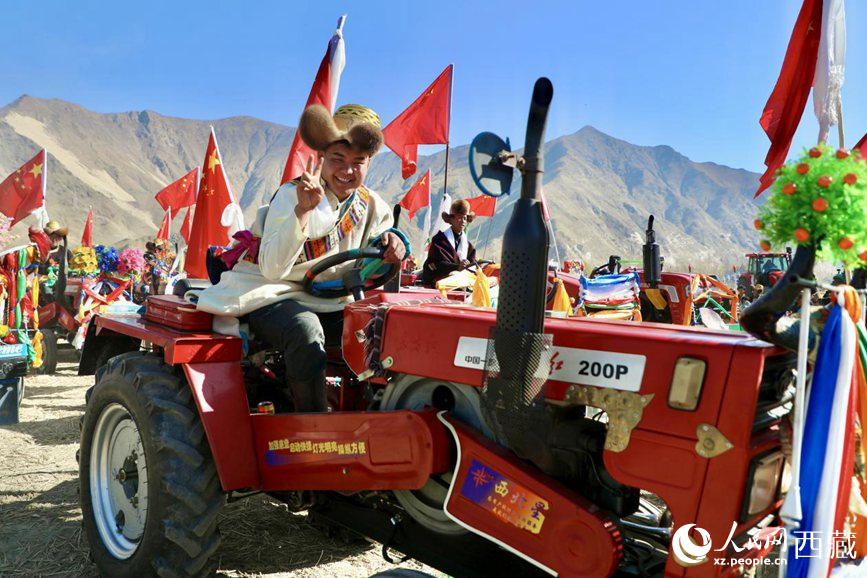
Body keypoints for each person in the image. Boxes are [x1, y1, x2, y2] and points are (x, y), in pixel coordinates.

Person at [196, 103, 406, 412]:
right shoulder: (291, 195)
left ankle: (380, 414)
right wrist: (303, 212)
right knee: (305, 330)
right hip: (269, 295)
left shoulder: (373, 205)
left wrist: (395, 243)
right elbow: (271, 269)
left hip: (333, 300)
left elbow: (384, 240)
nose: (347, 171)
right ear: (321, 157)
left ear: (370, 162)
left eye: (358, 162)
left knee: (390, 328)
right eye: (338, 159)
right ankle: (312, 422)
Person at [422, 199, 477, 287]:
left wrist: (469, 266)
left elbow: (473, 264)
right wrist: (457, 267)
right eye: (459, 217)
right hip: (438, 284)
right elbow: (435, 264)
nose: (463, 221)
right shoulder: (439, 240)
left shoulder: (469, 246)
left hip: (462, 286)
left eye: (465, 218)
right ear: (451, 219)